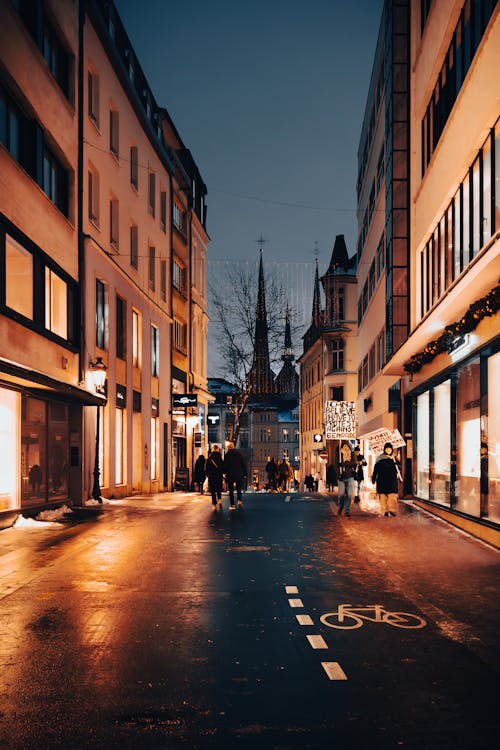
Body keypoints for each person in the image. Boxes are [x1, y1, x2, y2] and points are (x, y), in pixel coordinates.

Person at [371, 442, 402, 517]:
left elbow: (399, 469)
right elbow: (376, 469)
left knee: (392, 496)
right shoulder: (380, 458)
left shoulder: (394, 459)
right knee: (383, 497)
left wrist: (397, 462)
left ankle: (392, 509)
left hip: (392, 481)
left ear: (391, 450)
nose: (388, 450)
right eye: (387, 449)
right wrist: (374, 478)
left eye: (389, 449)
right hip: (382, 481)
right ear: (384, 449)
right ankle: (385, 510)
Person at [223, 441, 247, 509]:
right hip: (239, 474)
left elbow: (225, 465)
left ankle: (232, 505)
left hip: (230, 475)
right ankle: (239, 501)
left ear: (228, 448)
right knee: (238, 489)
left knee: (231, 490)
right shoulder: (239, 454)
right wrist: (245, 473)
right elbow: (243, 465)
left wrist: (224, 472)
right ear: (234, 447)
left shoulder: (227, 455)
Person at [338, 452, 357, 516]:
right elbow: (336, 464)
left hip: (350, 477)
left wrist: (345, 464)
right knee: (341, 494)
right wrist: (338, 475)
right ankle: (340, 507)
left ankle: (347, 510)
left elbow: (354, 463)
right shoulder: (339, 454)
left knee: (349, 495)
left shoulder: (352, 454)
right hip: (341, 477)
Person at [206, 445, 224, 510]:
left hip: (211, 476)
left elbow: (206, 468)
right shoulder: (220, 458)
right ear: (218, 450)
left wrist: (207, 475)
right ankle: (219, 499)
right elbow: (223, 467)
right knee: (218, 489)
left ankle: (214, 504)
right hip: (219, 476)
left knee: (213, 491)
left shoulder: (209, 459)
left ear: (212, 450)